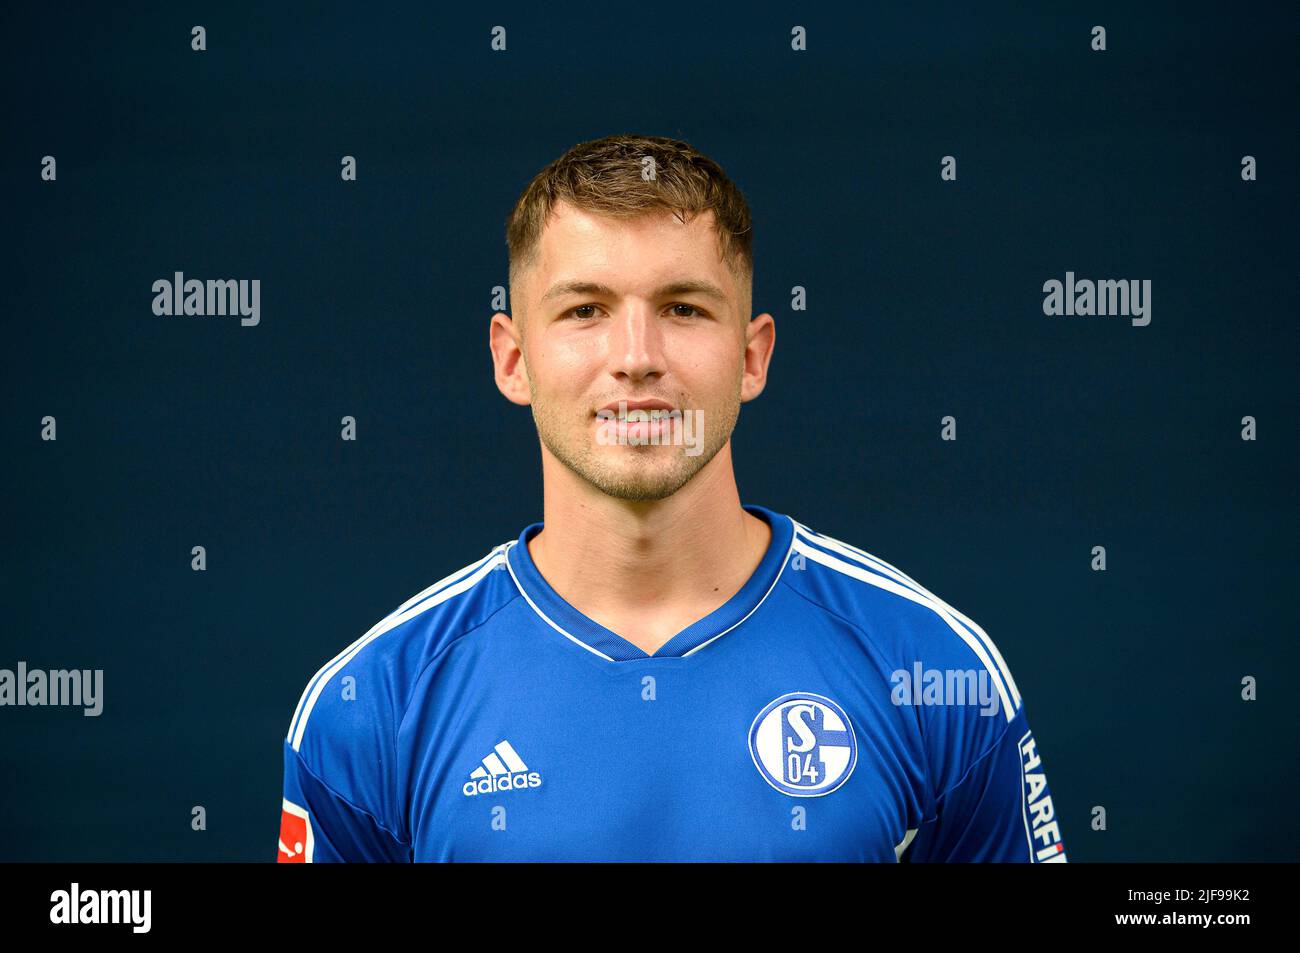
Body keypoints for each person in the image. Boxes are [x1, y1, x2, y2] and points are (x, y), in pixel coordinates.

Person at [278, 134, 1067, 862]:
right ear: (512, 359)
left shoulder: (931, 671)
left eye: (683, 309)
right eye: (585, 311)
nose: (636, 357)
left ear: (753, 356)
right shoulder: (374, 704)